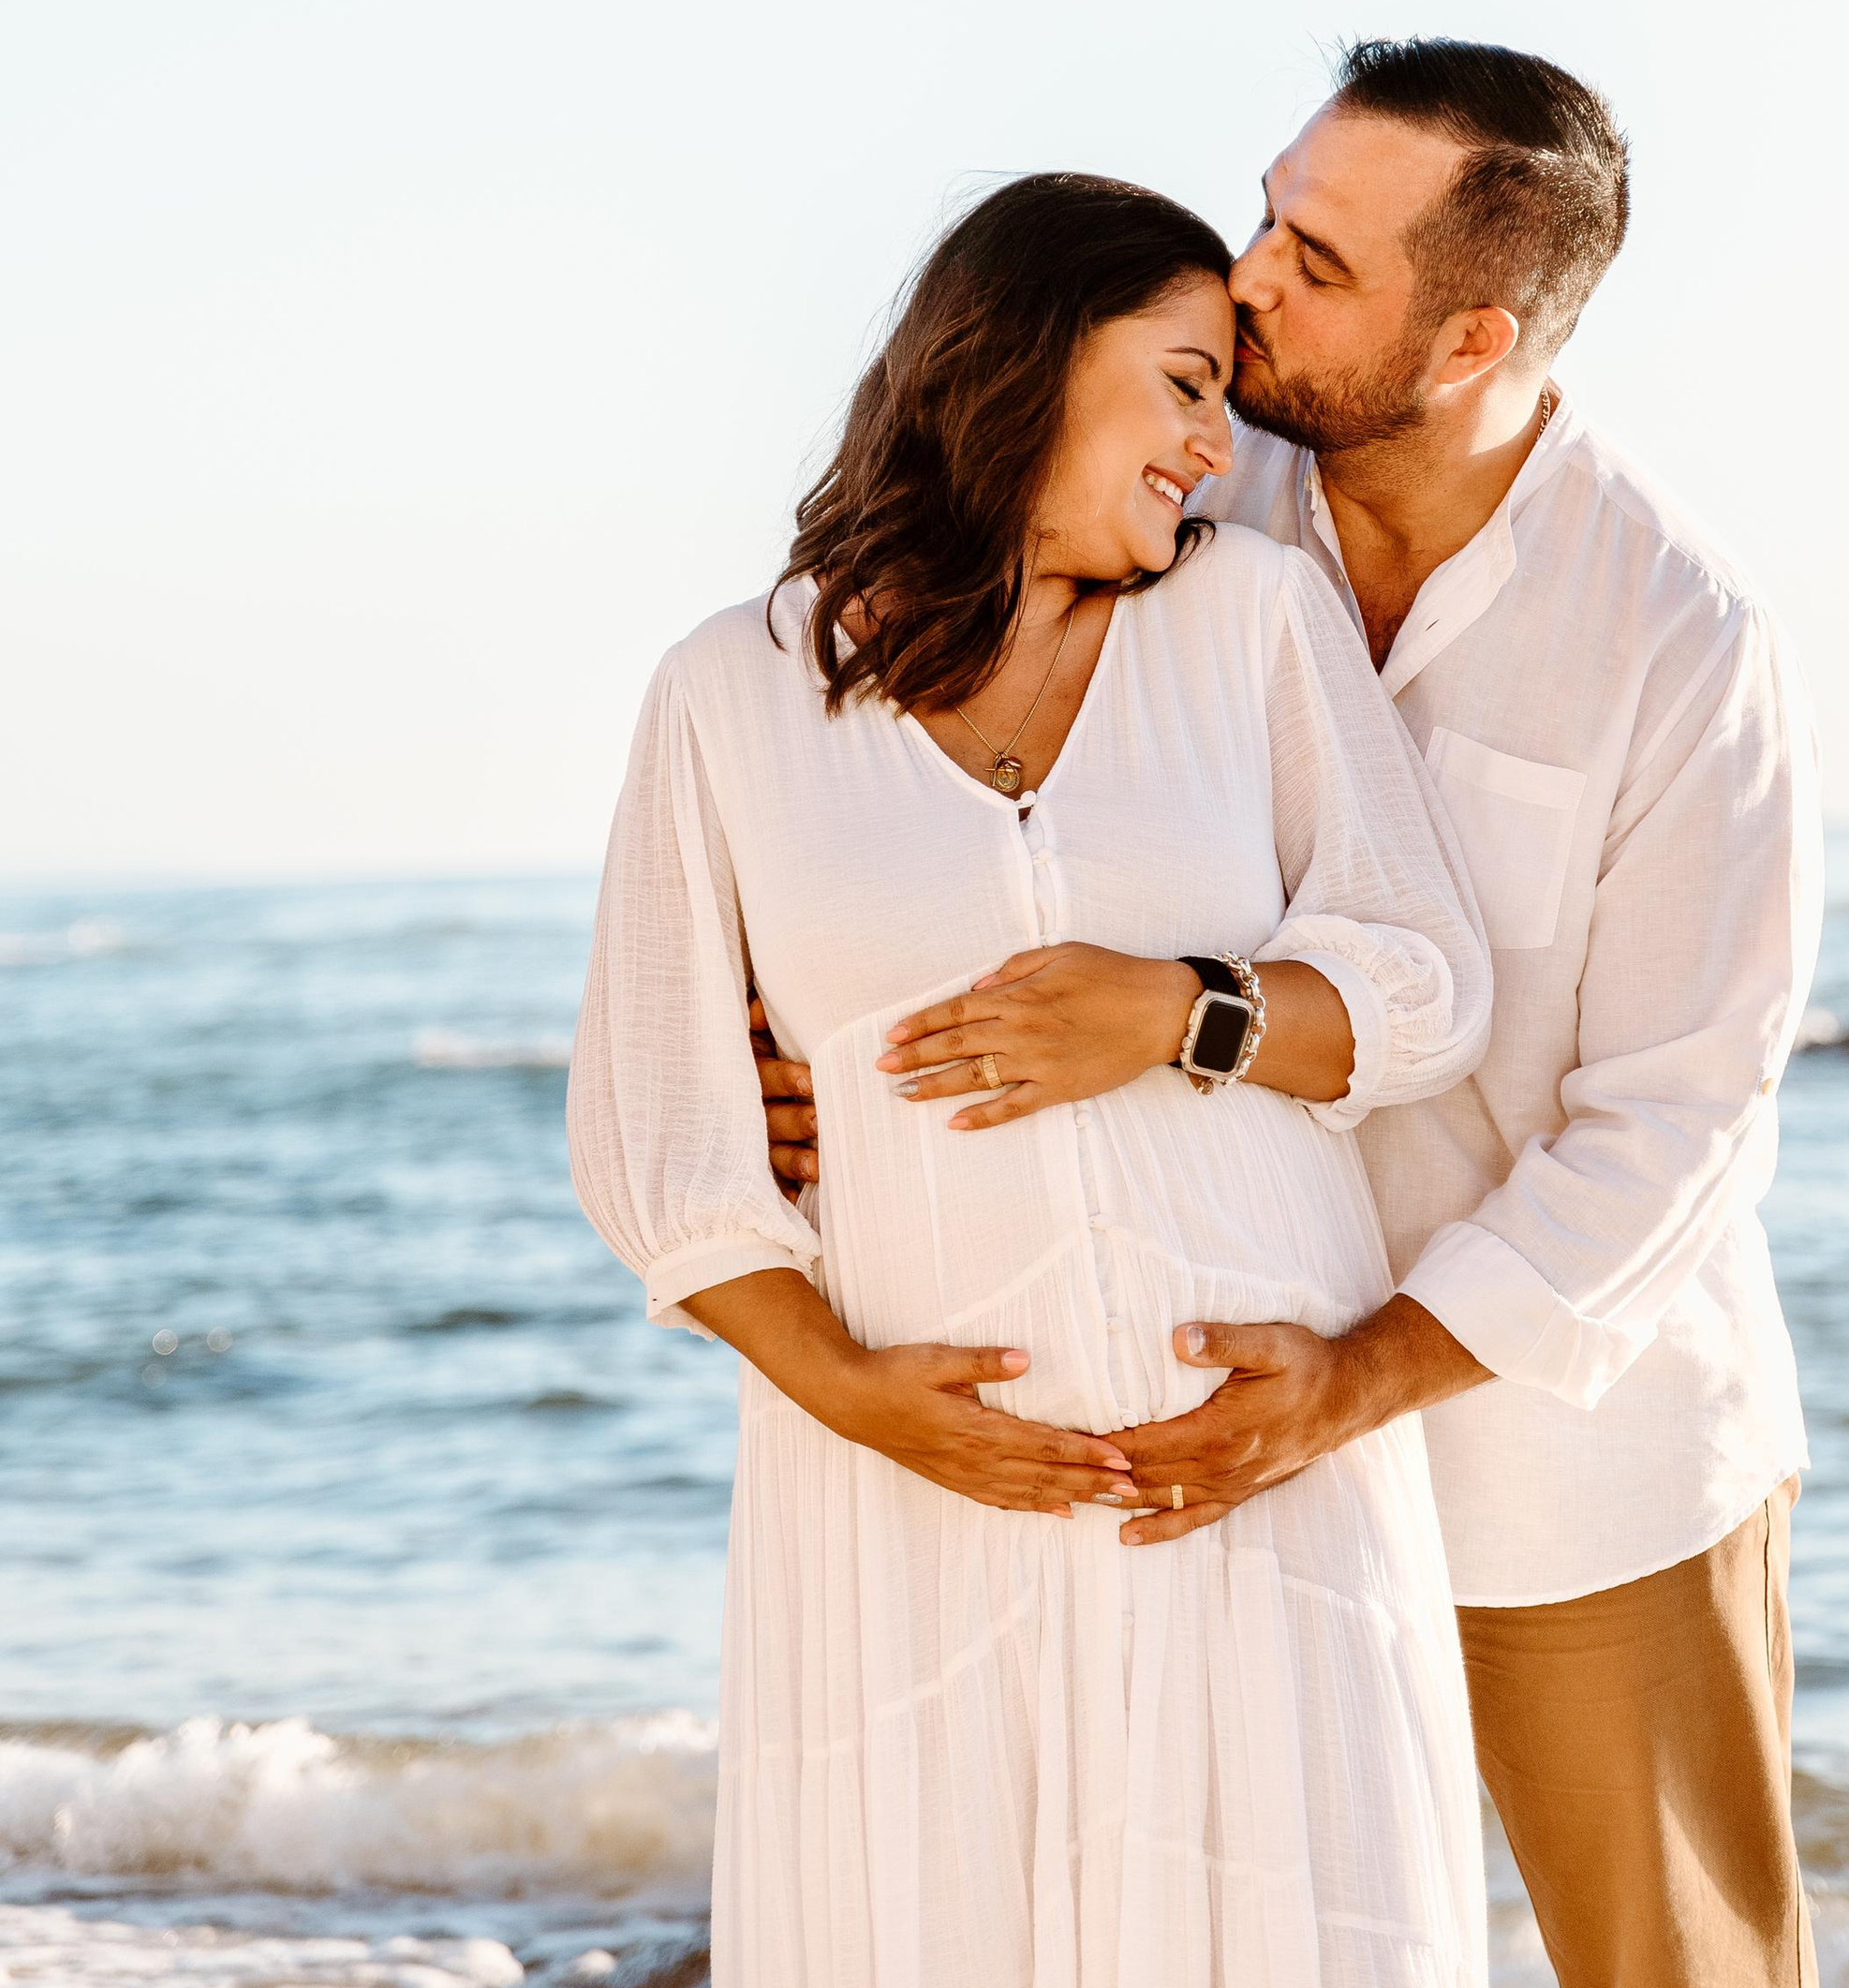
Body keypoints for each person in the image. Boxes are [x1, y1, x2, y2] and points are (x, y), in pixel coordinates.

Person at [759, 43, 1827, 1988]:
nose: (1244, 274)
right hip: (1190, 1412)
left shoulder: (1674, 632)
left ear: (1469, 334)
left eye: (1313, 258)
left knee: (1671, 1970)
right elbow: (893, 778)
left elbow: (1676, 1117)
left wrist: (1357, 1379)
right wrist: (784, 1058)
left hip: (1552, 1448)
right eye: (1265, 209)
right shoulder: (1171, 478)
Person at [569, 172, 1495, 1988]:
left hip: (1239, 1460)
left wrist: (1178, 1011)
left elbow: (1421, 986)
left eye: (1222, 395)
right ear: (1020, 364)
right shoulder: (732, 692)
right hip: (908, 1493)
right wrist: (843, 1389)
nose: (1211, 446)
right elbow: (657, 1135)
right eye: (1177, 382)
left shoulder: (1249, 623)